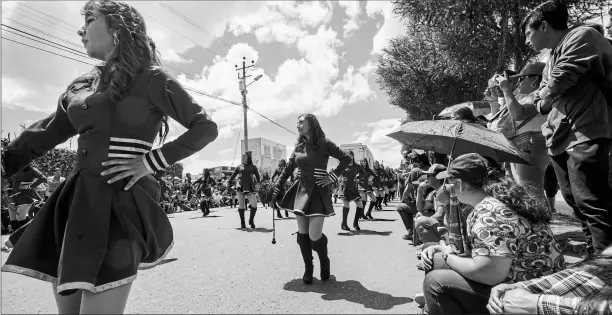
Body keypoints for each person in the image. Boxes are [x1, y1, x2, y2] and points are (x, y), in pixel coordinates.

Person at [0, 1, 219, 313]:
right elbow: (42, 134)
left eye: (90, 21)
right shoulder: (80, 87)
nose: (81, 29)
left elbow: (205, 127)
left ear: (116, 28)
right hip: (73, 206)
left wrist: (149, 162)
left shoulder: (152, 79)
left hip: (118, 208)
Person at [420, 153, 564, 315]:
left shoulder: (490, 212)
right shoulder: (495, 200)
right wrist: (442, 249)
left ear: (459, 184)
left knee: (435, 282)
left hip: (527, 294)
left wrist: (448, 255)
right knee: (433, 254)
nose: (447, 186)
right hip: (524, 279)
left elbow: (489, 275)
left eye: (450, 181)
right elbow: (481, 250)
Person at [525, 0, 612, 255]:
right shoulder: (551, 57)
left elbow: (559, 82)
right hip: (559, 138)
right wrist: (544, 95)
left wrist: (545, 95)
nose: (528, 40)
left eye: (529, 33)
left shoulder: (582, 35)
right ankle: (593, 256)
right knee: (575, 201)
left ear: (543, 26)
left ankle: (605, 270)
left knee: (592, 201)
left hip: (586, 130)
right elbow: (540, 100)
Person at [271, 113, 351, 284]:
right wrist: (277, 185)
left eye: (301, 122)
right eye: (297, 122)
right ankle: (308, 268)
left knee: (315, 236)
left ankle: (324, 260)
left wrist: (333, 176)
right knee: (303, 233)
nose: (297, 125)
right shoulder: (299, 146)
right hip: (300, 191)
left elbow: (346, 159)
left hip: (318, 191)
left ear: (311, 124)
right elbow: (288, 168)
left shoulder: (325, 143)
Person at [487, 245, 612, 315]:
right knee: (504, 301)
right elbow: (603, 261)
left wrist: (540, 304)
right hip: (597, 275)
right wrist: (524, 286)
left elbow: (493, 273)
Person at [6, 165, 46, 232]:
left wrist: (30, 186)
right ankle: (16, 239)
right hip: (12, 195)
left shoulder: (32, 169)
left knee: (20, 217)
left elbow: (43, 178)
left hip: (25, 195)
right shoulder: (12, 168)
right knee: (13, 219)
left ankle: (29, 235)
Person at [226, 152, 261, 229]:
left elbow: (258, 177)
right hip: (240, 186)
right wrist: (228, 183)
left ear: (248, 157)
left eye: (244, 156)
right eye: (241, 157)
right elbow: (233, 176)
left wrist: (258, 184)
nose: (242, 158)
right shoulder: (239, 167)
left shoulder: (253, 167)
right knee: (241, 205)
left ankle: (251, 220)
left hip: (250, 187)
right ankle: (242, 222)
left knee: (254, 204)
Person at [338, 150, 365, 231]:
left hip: (353, 188)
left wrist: (358, 178)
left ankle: (355, 223)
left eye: (350, 155)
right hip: (344, 187)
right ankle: (344, 224)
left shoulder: (357, 166)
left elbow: (363, 173)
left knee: (360, 205)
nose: (349, 157)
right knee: (346, 205)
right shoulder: (343, 164)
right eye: (347, 155)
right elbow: (337, 173)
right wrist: (340, 179)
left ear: (353, 156)